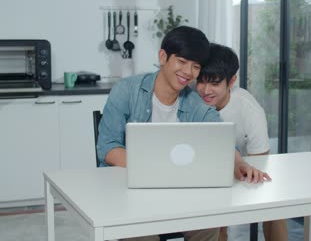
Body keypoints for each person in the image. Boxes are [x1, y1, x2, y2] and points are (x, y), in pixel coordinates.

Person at [97, 26, 270, 241]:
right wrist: (155, 167)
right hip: (131, 192)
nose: (188, 72)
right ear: (163, 57)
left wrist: (238, 163)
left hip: (179, 193)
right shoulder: (126, 90)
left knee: (208, 226)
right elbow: (107, 147)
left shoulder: (195, 102)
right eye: (181, 61)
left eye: (195, 66)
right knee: (140, 235)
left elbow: (221, 139)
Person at [196, 43, 288, 241]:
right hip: (204, 171)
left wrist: (241, 171)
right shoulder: (190, 99)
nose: (205, 90)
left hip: (243, 172)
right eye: (201, 82)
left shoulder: (250, 110)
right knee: (216, 223)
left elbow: (260, 161)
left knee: (276, 208)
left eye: (214, 84)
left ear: (231, 82)